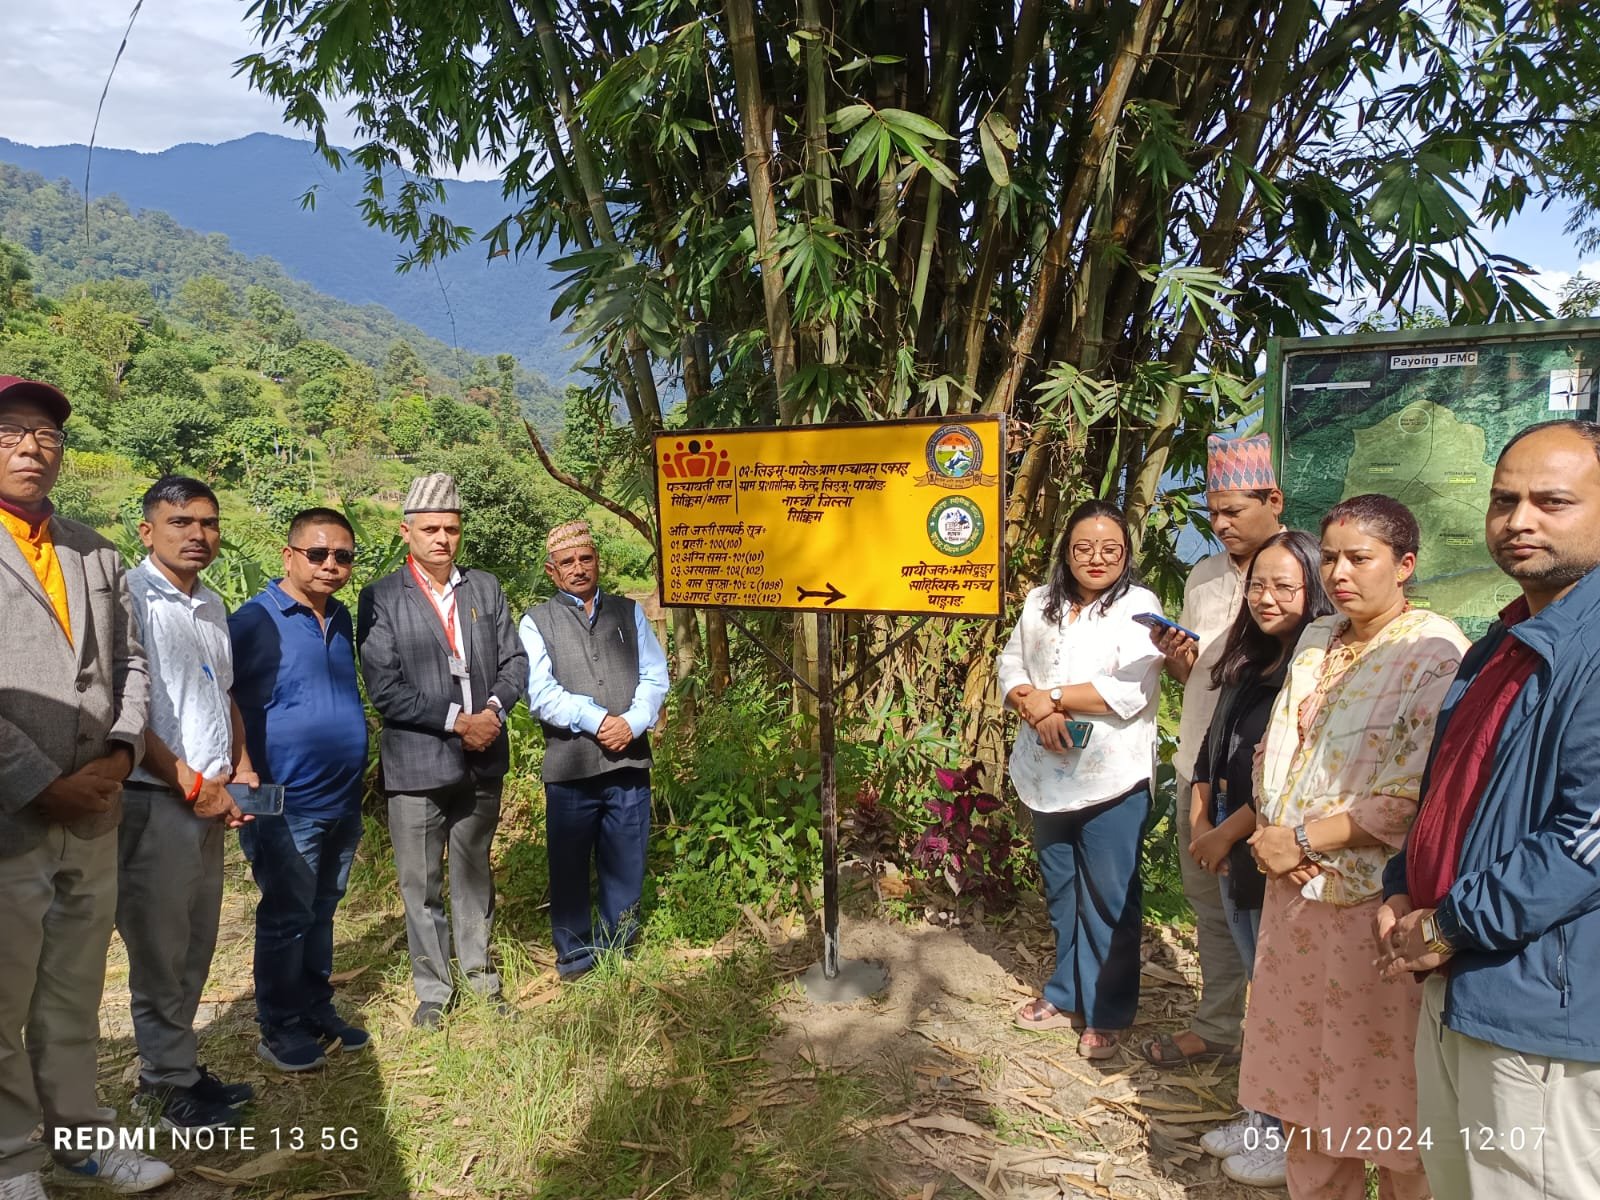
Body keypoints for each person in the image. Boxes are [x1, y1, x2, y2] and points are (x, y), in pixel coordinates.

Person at [1376, 420, 1600, 1199]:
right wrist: (1402, 885)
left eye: (1552, 501)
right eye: (1505, 500)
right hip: (1460, 983)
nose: (1519, 520)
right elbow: (1450, 790)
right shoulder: (1507, 638)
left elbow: (1587, 839)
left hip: (1540, 1004)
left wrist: (1447, 924)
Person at [1237, 495, 1468, 1200]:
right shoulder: (1318, 639)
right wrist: (1272, 840)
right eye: (1331, 557)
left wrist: (1300, 838)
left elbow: (1411, 795)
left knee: (1387, 1097)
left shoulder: (1433, 650)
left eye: (1358, 558)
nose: (1339, 573)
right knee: (1304, 1091)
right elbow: (1279, 757)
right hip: (1293, 899)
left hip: (1371, 904)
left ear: (1405, 564)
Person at [0, 376, 171, 1196]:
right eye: (10, 433)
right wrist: (36, 781)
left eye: (45, 435)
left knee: (72, 993)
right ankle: (10, 1161)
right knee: (1, 1002)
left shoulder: (94, 549)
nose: (31, 448)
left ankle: (81, 1143)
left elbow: (132, 664)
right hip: (12, 816)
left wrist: (120, 753)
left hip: (95, 812)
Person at [357, 473, 528, 1028]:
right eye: (429, 529)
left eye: (451, 529)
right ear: (406, 532)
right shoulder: (382, 597)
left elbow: (515, 662)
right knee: (420, 881)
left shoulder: (485, 588)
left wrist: (494, 711)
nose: (441, 539)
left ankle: (481, 977)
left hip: (482, 758)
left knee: (474, 872)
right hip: (417, 763)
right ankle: (434, 989)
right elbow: (385, 687)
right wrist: (460, 721)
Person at [1189, 530, 1332, 1188]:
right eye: (1258, 584)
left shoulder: (1314, 667)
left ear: (1313, 590)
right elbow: (1211, 753)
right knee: (1259, 984)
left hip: (1264, 850)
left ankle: (1282, 1133)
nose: (1266, 596)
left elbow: (1287, 776)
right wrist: (1200, 821)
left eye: (1284, 585)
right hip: (1225, 842)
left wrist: (1224, 834)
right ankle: (1259, 1112)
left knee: (1275, 996)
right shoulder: (1250, 661)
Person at [999, 500, 1165, 1059]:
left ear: (1126, 553)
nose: (1096, 559)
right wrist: (1035, 707)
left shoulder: (1138, 606)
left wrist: (1049, 698)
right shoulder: (1040, 602)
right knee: (1063, 887)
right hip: (1045, 770)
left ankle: (1107, 1011)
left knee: (1109, 896)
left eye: (1110, 549)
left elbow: (1129, 689)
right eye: (1083, 548)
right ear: (1066, 552)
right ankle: (1066, 992)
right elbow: (1011, 664)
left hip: (1111, 775)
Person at [1141, 434, 1285, 1070]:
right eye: (1213, 513)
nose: (1221, 525)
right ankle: (1221, 1025)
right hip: (1196, 764)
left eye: (1234, 511)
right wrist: (1181, 662)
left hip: (1262, 782)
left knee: (1272, 918)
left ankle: (1283, 1048)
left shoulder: (1299, 570)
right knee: (1209, 905)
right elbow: (1201, 677)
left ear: (1273, 500)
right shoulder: (1203, 575)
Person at [119, 477, 256, 1132]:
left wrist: (243, 765)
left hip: (210, 801)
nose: (198, 534)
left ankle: (177, 1066)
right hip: (158, 800)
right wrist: (193, 785)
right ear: (147, 531)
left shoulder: (212, 602)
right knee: (158, 947)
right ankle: (164, 1086)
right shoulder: (126, 599)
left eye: (208, 522)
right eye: (180, 522)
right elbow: (128, 714)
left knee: (197, 941)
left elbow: (220, 692)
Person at [230, 508, 370, 1072]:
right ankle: (279, 1025)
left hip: (340, 797)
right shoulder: (254, 620)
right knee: (287, 914)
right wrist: (240, 780)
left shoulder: (338, 618)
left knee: (323, 907)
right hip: (282, 801)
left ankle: (315, 1006)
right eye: (318, 554)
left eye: (342, 556)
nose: (330, 565)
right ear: (288, 556)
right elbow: (223, 699)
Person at [518, 520, 669, 981]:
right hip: (570, 769)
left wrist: (633, 721)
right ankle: (576, 958)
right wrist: (599, 720)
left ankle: (619, 947)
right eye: (568, 562)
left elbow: (655, 676)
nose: (579, 568)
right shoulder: (535, 621)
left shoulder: (629, 612)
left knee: (626, 859)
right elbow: (538, 693)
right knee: (568, 865)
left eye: (586, 559)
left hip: (628, 761)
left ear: (598, 561)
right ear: (552, 571)